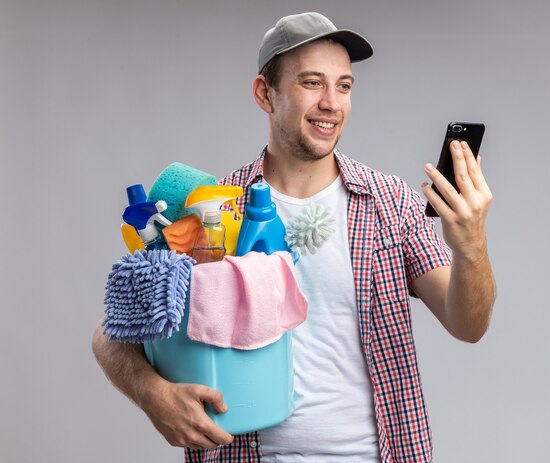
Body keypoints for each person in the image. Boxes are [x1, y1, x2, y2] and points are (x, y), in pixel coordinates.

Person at [92, 12, 496, 463]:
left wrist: (471, 244)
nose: (331, 103)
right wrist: (154, 397)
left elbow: (468, 324)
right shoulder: (210, 209)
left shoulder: (391, 204)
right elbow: (110, 335)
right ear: (266, 93)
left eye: (343, 86)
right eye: (312, 83)